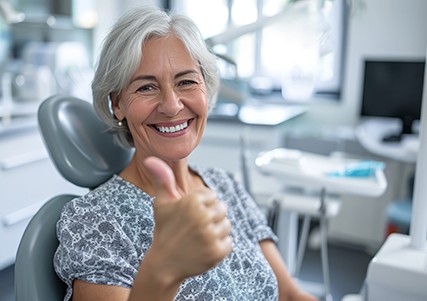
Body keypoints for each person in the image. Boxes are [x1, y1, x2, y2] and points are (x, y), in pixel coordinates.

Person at [53, 5, 319, 301]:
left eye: (186, 82)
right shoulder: (94, 219)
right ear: (118, 104)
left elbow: (290, 294)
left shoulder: (225, 186)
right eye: (146, 87)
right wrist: (164, 267)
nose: (171, 105)